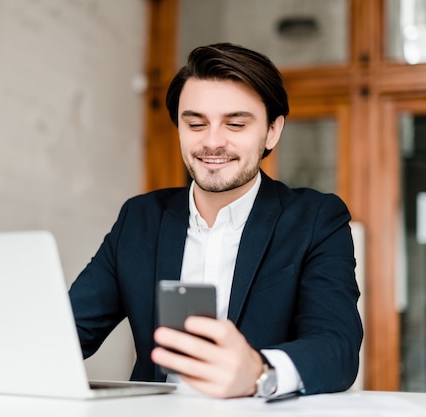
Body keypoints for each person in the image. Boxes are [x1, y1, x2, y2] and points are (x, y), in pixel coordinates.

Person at [68, 42, 363, 399]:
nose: (212, 142)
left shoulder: (316, 219)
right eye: (195, 123)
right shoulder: (140, 218)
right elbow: (69, 332)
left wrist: (260, 372)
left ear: (272, 131)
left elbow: (337, 348)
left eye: (235, 124)